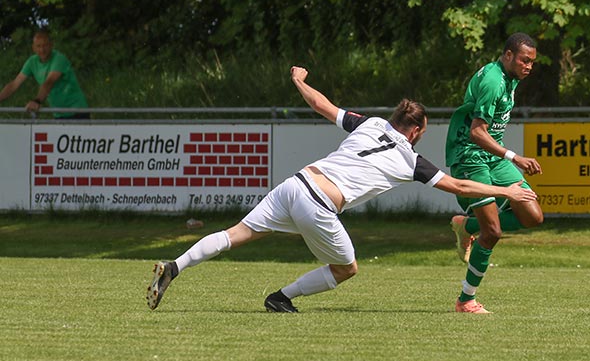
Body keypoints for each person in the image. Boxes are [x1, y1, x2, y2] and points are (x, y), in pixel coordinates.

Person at [147, 66, 538, 313]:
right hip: (319, 204)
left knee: (236, 234)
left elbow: (322, 105)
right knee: (346, 268)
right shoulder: (410, 158)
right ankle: (281, 298)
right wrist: (507, 193)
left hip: (295, 184)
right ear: (417, 131)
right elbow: (458, 184)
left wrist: (300, 81)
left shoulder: (369, 123)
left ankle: (174, 266)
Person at [445, 32, 544, 314]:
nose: (529, 66)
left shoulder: (510, 77)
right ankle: (466, 300)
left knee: (532, 215)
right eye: (525, 60)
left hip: (493, 157)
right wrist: (515, 157)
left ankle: (467, 226)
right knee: (493, 232)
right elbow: (477, 133)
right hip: (471, 156)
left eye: (532, 62)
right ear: (508, 55)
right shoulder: (493, 81)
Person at [0, 29, 89, 119]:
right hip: (59, 114)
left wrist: (37, 101)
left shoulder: (59, 58)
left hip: (78, 112)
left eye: (45, 45)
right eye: (38, 46)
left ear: (51, 45)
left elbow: (49, 82)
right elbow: (14, 84)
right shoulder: (32, 62)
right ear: (33, 48)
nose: (42, 50)